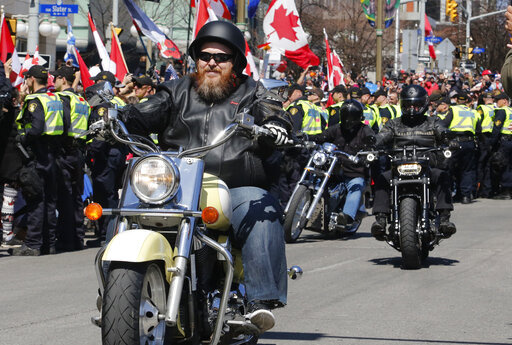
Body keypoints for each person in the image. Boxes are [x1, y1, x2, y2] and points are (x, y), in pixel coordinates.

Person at [118, 21, 291, 334]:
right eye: (205, 55)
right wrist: (117, 118)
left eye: (221, 57)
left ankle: (260, 301)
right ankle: (115, 286)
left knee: (262, 207)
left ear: (236, 62)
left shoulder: (253, 91)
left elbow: (273, 111)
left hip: (234, 185)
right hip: (176, 184)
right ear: (195, 58)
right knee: (125, 208)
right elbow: (148, 110)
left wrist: (276, 126)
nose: (212, 62)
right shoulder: (176, 90)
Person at [370, 85, 456, 240]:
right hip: (399, 166)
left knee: (442, 175)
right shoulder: (394, 123)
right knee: (382, 178)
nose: (412, 108)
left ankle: (444, 218)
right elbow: (382, 136)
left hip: (427, 167)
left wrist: (448, 137)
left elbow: (442, 130)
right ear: (403, 104)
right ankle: (381, 219)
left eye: (416, 105)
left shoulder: (433, 121)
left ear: (423, 104)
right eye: (408, 105)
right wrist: (372, 142)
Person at [11, 65, 65, 256]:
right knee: (50, 201)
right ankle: (49, 244)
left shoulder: (34, 100)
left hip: (38, 155)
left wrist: (22, 137)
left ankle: (33, 244)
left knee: (36, 200)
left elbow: (36, 128)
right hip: (53, 155)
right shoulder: (55, 98)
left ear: (31, 80)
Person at [309, 100, 374, 228]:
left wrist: (369, 152)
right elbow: (322, 136)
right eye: (346, 116)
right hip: (334, 170)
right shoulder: (337, 129)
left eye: (352, 117)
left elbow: (372, 142)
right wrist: (306, 138)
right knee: (317, 179)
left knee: (356, 185)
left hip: (355, 171)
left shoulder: (365, 130)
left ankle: (347, 216)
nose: (349, 120)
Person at [53, 66, 90, 251]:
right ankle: (77, 237)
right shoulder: (82, 100)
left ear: (63, 80)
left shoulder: (63, 99)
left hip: (66, 152)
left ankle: (66, 239)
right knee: (76, 197)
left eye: (55, 78)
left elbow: (63, 125)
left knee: (65, 196)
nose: (53, 82)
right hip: (79, 152)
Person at [441, 91, 479, 204]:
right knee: (467, 170)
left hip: (455, 143)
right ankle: (465, 196)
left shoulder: (453, 110)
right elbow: (478, 130)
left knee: (449, 168)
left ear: (457, 100)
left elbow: (443, 124)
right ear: (467, 101)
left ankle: (447, 196)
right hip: (469, 143)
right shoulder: (473, 112)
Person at [490, 91, 512, 199]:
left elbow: (496, 128)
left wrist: (491, 143)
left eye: (497, 100)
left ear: (504, 101)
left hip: (506, 141)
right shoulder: (511, 110)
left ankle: (506, 191)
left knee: (505, 165)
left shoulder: (502, 111)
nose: (496, 103)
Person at [475, 91, 496, 198]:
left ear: (484, 99)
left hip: (484, 138)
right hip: (495, 138)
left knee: (482, 164)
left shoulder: (481, 108)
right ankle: (491, 189)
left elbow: (477, 121)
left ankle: (482, 190)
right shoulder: (496, 108)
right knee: (491, 164)